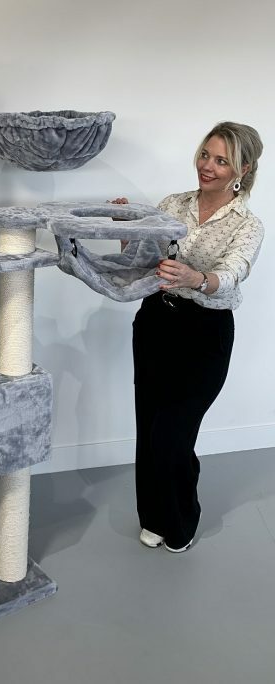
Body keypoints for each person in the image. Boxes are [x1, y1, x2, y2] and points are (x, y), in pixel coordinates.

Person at [114, 122, 264, 552]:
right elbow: (143, 261)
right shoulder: (171, 205)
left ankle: (180, 521)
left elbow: (233, 273)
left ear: (243, 169)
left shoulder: (247, 225)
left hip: (204, 334)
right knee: (149, 425)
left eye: (221, 161)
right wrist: (126, 229)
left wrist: (196, 278)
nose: (207, 166)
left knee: (173, 433)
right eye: (205, 155)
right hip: (156, 322)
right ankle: (153, 518)